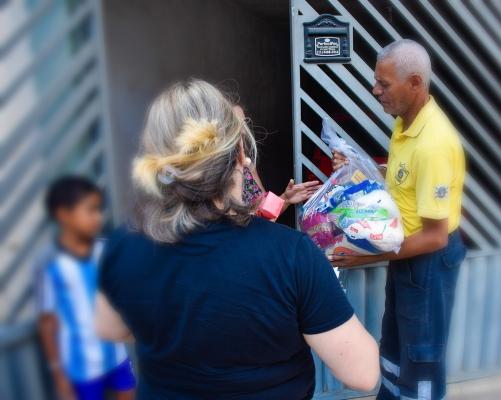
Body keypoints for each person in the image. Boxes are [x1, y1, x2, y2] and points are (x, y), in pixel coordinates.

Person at [94, 79, 380, 399]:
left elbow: (110, 328)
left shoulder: (125, 247)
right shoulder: (293, 257)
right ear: (241, 152)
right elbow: (363, 374)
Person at [330, 39, 467, 400]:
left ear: (415, 83)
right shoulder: (406, 123)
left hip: (427, 261)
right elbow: (405, 177)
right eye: (376, 81)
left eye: (383, 84)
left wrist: (367, 258)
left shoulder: (434, 143)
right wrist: (361, 169)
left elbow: (435, 237)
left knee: (421, 357)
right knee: (395, 345)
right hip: (405, 254)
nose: (375, 91)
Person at [36, 176, 136, 400]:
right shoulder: (51, 265)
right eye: (90, 210)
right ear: (64, 215)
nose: (98, 217)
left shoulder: (105, 250)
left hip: (117, 356)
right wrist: (58, 375)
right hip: (81, 369)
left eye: (99, 210)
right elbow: (47, 322)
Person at [232, 104, 321, 211]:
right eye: (235, 123)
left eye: (244, 123)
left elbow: (263, 211)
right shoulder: (211, 172)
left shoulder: (247, 162)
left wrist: (285, 199)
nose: (243, 131)